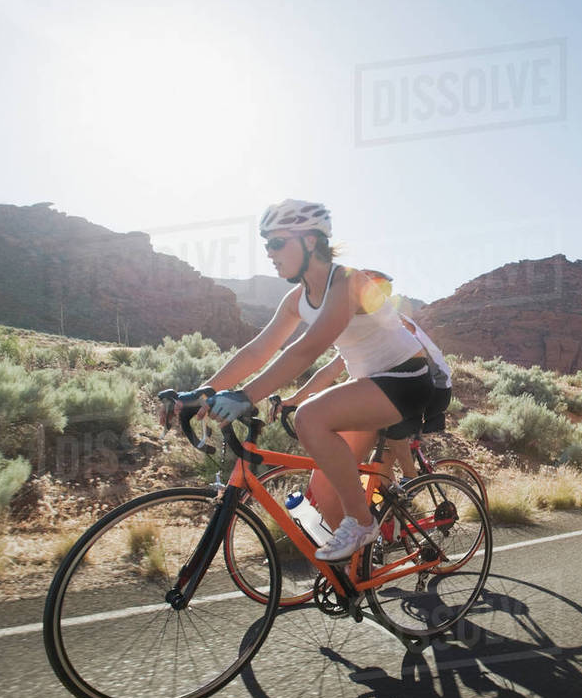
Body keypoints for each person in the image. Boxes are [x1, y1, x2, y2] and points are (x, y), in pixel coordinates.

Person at [160, 199, 432, 561]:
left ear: (308, 241)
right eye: (266, 244)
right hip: (370, 385)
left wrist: (246, 395)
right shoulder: (296, 299)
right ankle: (353, 576)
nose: (269, 252)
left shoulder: (348, 281)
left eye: (276, 242)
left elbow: (308, 349)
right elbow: (260, 349)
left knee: (310, 417)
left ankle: (363, 522)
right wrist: (204, 390)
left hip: (407, 379)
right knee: (326, 485)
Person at [275, 271, 453, 483]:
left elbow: (410, 364)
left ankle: (410, 476)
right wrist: (298, 398)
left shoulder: (393, 322)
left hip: (433, 384)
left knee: (393, 423)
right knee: (378, 463)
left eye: (383, 289)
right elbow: (332, 369)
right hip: (392, 384)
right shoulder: (355, 327)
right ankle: (389, 504)